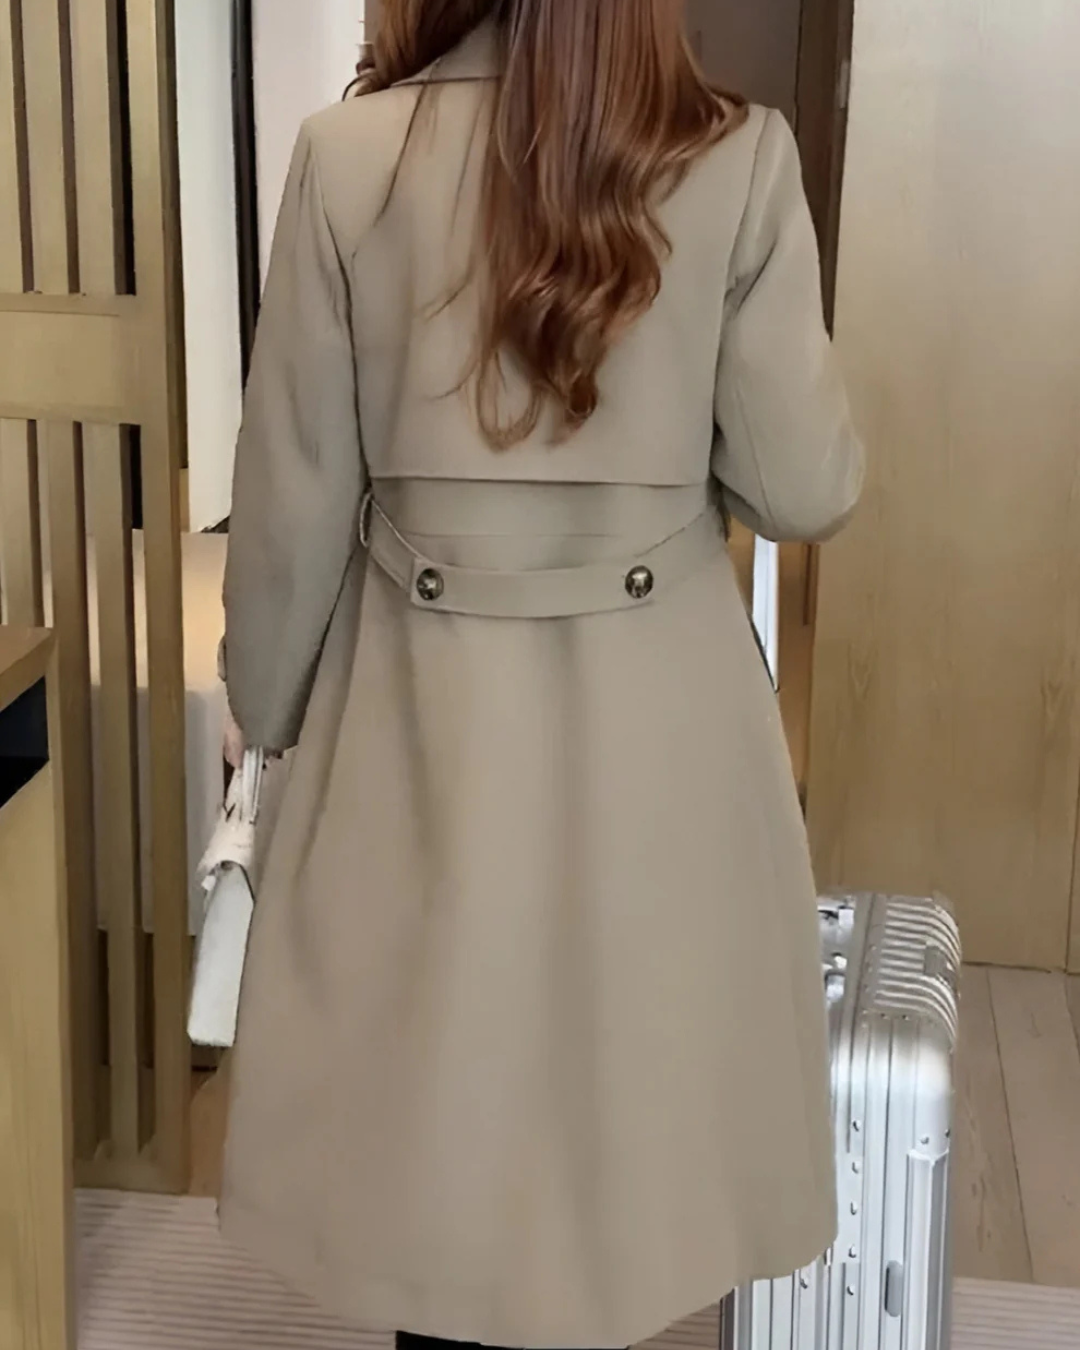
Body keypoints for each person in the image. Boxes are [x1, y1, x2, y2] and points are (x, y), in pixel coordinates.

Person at [217, 2, 864, 1348]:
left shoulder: (345, 160)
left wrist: (263, 717)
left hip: (416, 731)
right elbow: (806, 486)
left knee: (436, 1158)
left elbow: (289, 518)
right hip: (666, 750)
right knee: (622, 1151)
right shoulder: (740, 160)